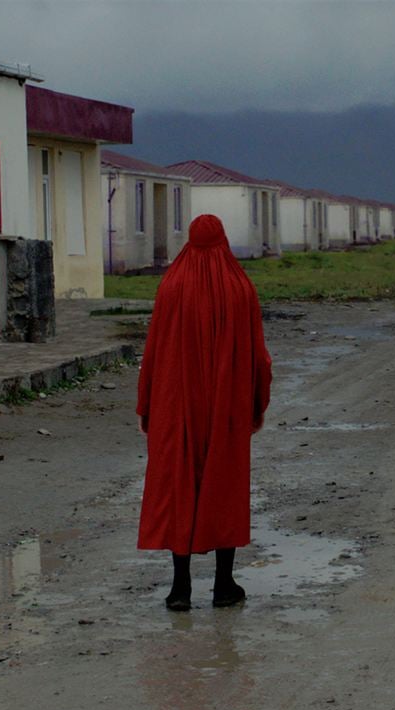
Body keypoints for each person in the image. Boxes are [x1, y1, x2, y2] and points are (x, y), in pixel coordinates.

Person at [136, 214, 272, 611]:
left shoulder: (171, 287)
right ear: (223, 242)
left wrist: (146, 405)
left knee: (180, 485)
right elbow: (259, 359)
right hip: (226, 408)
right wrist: (256, 403)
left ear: (189, 243)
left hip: (176, 407)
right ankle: (223, 584)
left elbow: (153, 352)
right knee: (223, 484)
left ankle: (180, 589)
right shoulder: (240, 288)